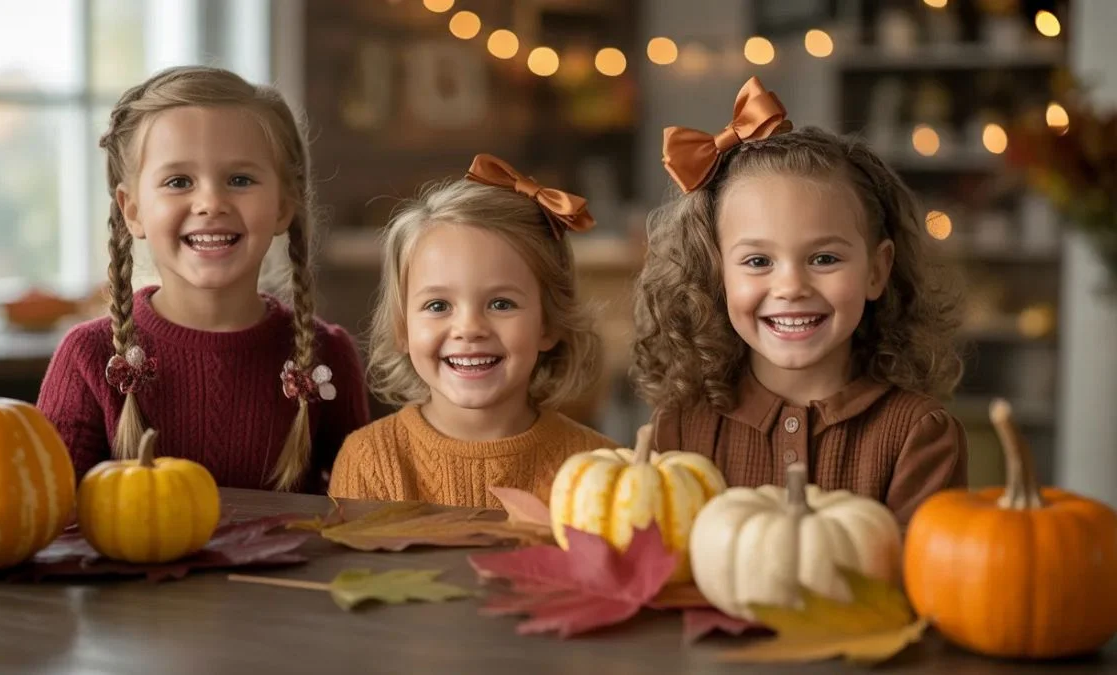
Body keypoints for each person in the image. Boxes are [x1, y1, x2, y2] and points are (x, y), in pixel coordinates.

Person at [634, 77, 967, 526]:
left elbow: (925, 584)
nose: (791, 286)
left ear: (876, 270)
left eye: (824, 258)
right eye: (757, 260)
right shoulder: (678, 429)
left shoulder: (918, 434)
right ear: (716, 274)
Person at [38, 66, 370, 493]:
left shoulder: (328, 357)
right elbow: (47, 520)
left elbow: (361, 516)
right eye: (179, 181)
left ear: (284, 207)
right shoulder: (87, 356)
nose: (211, 202)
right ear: (133, 210)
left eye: (240, 180)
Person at [328, 154, 614, 508]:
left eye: (501, 304)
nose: (469, 329)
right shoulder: (370, 462)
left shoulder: (601, 470)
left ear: (549, 324)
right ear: (402, 328)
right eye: (438, 306)